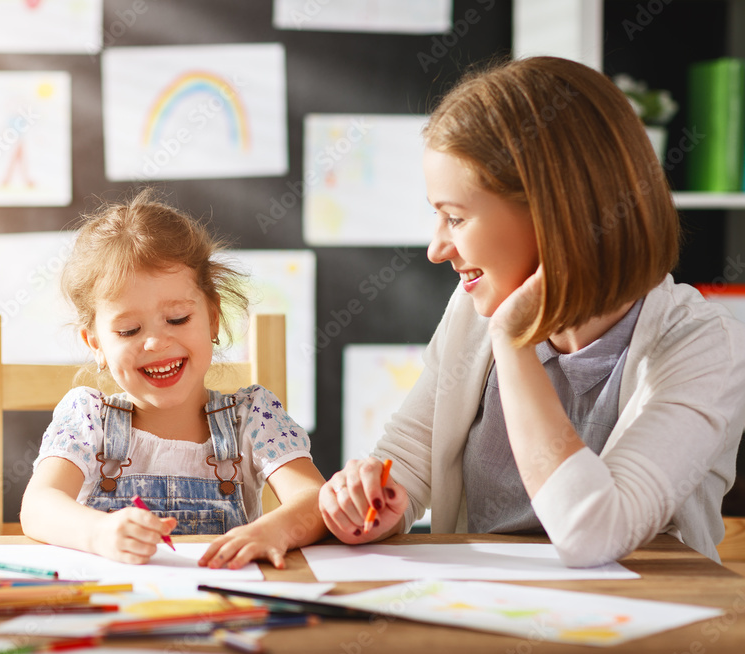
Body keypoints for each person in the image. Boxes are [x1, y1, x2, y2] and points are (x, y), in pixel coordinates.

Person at [319, 56, 745, 566]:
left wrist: (513, 343)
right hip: (497, 615)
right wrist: (377, 498)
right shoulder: (472, 311)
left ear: (554, 216)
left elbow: (594, 533)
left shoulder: (704, 344)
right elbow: (411, 456)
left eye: (454, 217)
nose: (436, 249)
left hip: (643, 632)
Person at [21, 189, 327, 568]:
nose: (155, 341)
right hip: (118, 609)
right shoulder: (88, 418)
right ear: (95, 342)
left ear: (213, 318)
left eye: (178, 319)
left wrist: (275, 530)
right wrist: (98, 533)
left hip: (224, 610)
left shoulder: (252, 416)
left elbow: (314, 498)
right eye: (129, 330)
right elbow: (38, 506)